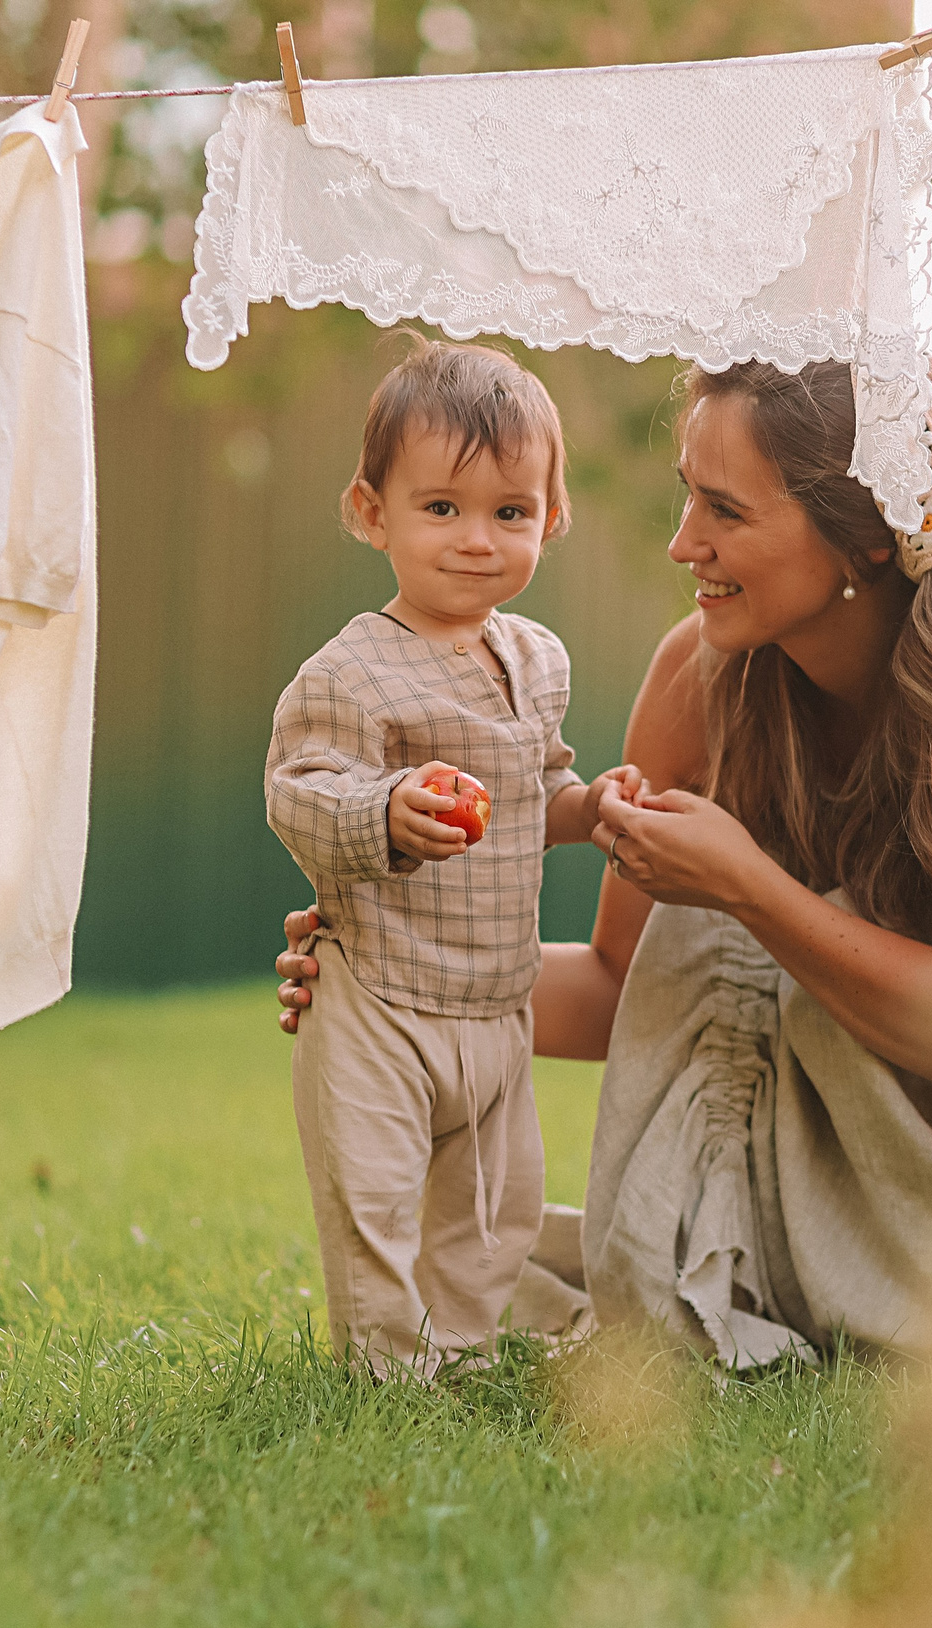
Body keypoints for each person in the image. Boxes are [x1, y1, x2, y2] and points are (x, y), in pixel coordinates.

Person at [280, 358, 932, 1367]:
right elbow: (620, 988)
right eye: (688, 494)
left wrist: (748, 887)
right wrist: (389, 975)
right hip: (791, 1181)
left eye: (723, 510)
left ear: (864, 533)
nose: (682, 541)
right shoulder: (702, 677)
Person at [265, 338, 643, 1378]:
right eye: (441, 509)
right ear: (369, 512)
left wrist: (591, 806)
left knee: (493, 1201)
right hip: (381, 993)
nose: (476, 540)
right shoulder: (351, 670)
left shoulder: (537, 662)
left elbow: (536, 795)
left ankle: (466, 1349)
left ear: (551, 520)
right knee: (374, 1196)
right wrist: (386, 811)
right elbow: (298, 792)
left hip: (493, 996)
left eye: (508, 513)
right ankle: (386, 1369)